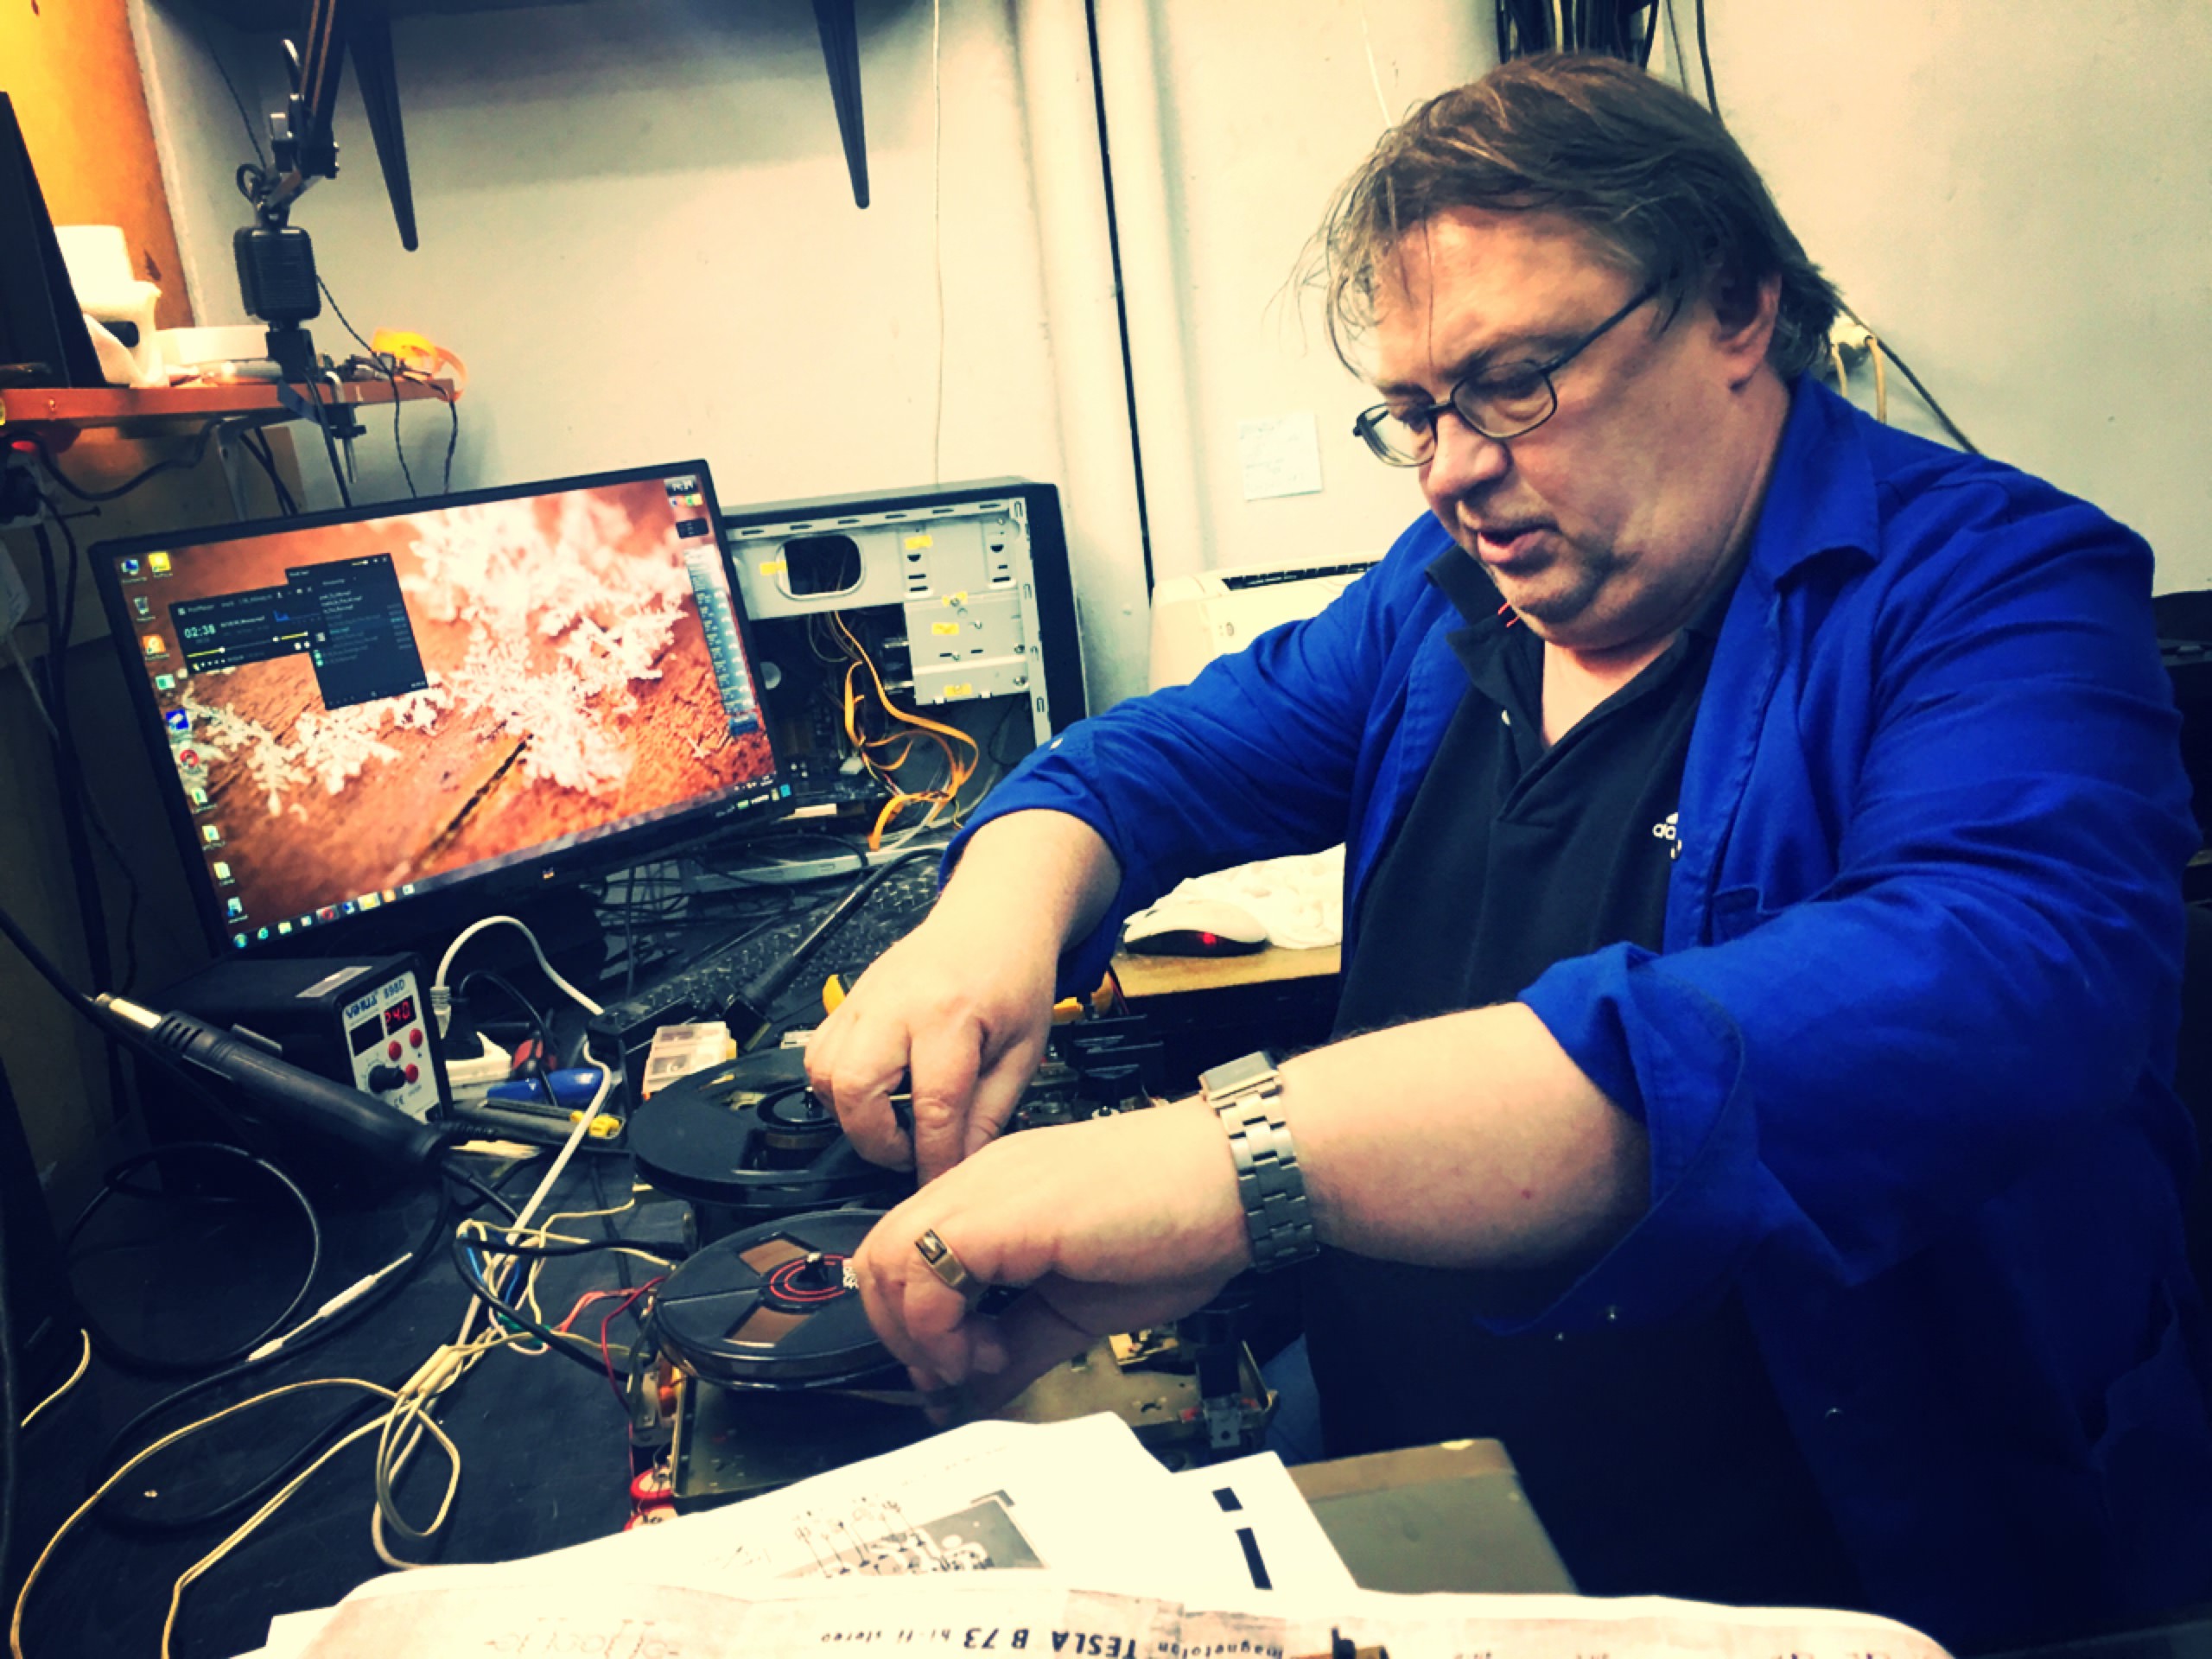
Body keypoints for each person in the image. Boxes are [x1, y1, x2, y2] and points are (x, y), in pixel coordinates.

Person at [804, 54, 2212, 1650]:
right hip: (1425, 1507)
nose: (1454, 467)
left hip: (1823, 1573)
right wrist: (989, 917)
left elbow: (1985, 985)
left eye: (1516, 381)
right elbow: (1161, 759)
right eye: (1415, 412)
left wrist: (1238, 1165)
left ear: (1735, 305)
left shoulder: (2004, 584)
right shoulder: (1447, 593)